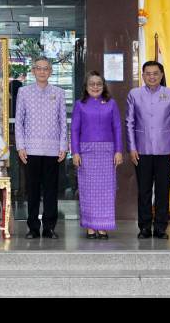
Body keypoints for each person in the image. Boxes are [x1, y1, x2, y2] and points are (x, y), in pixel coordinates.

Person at [127, 61, 170, 240]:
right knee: (143, 190)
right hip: (141, 149)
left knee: (162, 190)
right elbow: (130, 122)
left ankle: (160, 227)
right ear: (143, 75)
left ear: (161, 75)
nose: (151, 76)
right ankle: (144, 227)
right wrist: (132, 147)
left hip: (165, 149)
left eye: (155, 73)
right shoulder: (134, 94)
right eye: (148, 73)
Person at [15, 56, 68, 240]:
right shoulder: (24, 92)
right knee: (33, 190)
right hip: (31, 149)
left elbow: (63, 122)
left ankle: (49, 227)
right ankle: (33, 227)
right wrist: (20, 146)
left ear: (51, 72)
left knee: (52, 190)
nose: (42, 71)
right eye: (39, 68)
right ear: (33, 71)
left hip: (54, 149)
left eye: (46, 68)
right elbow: (18, 122)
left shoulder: (59, 93)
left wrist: (64, 146)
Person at [71, 71, 123, 240]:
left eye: (98, 83)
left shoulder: (111, 104)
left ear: (103, 86)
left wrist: (118, 151)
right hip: (86, 152)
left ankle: (103, 227)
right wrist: (75, 152)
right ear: (86, 87)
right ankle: (90, 227)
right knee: (88, 191)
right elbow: (74, 129)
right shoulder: (80, 104)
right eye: (91, 84)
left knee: (106, 191)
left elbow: (117, 128)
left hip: (107, 152)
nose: (95, 87)